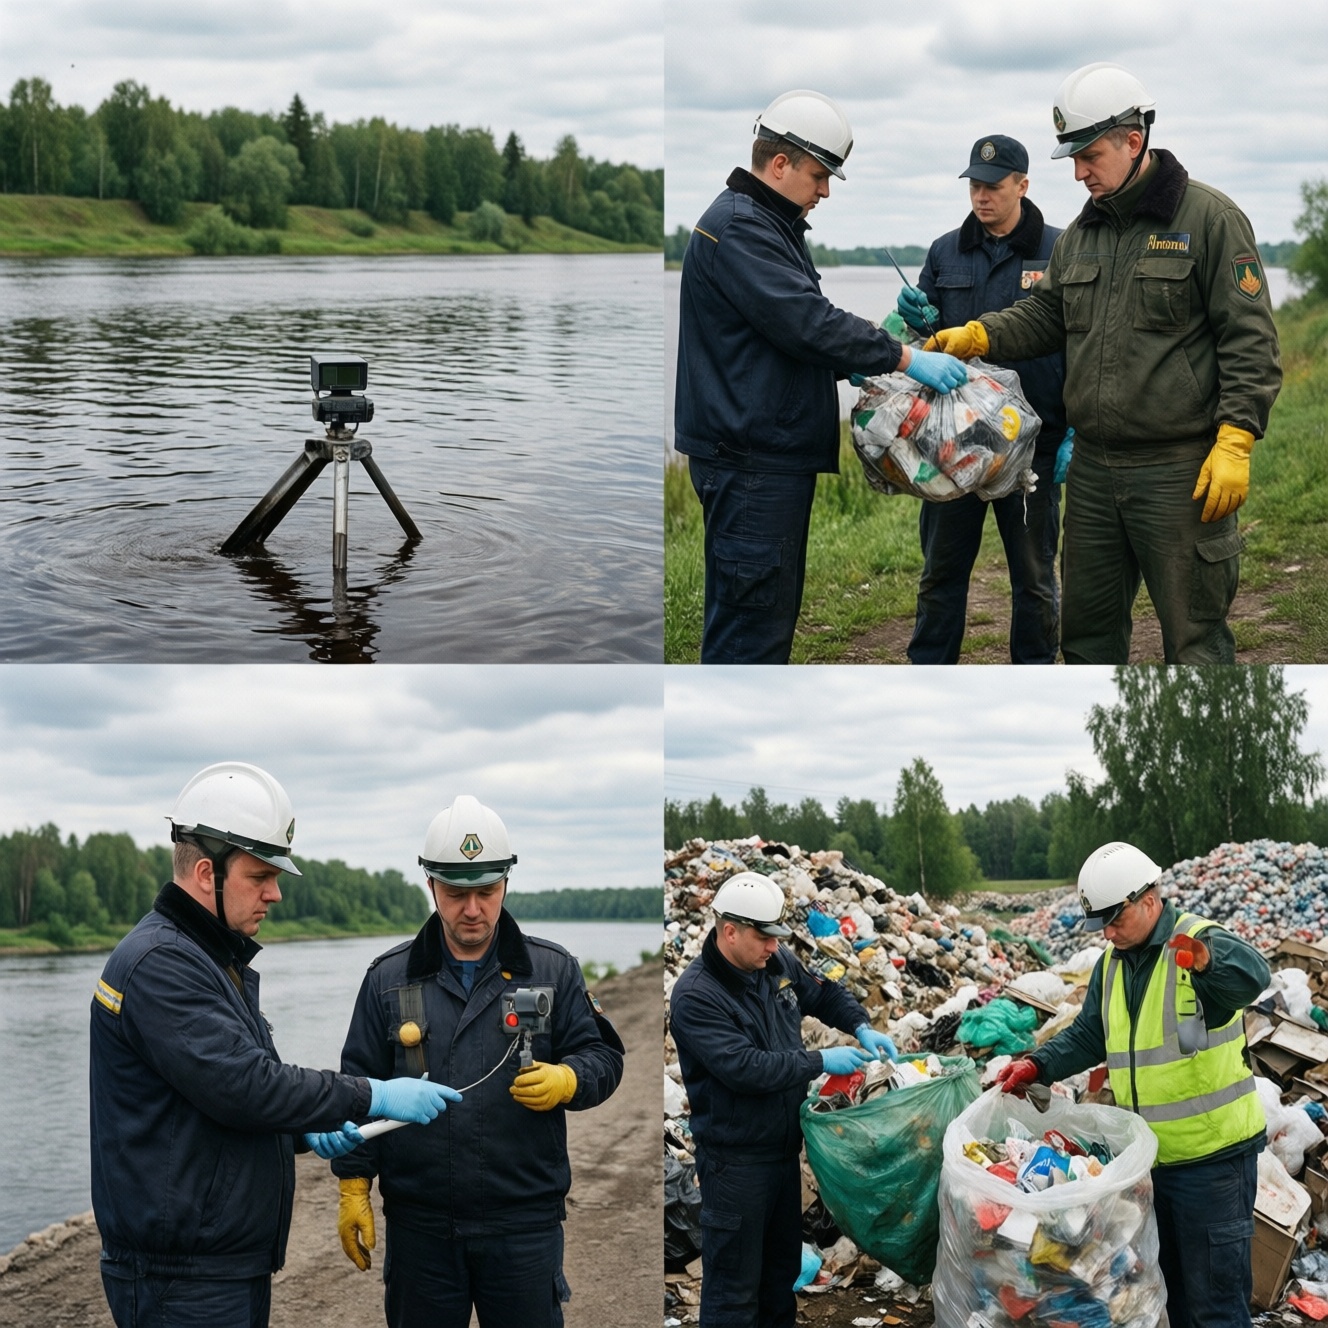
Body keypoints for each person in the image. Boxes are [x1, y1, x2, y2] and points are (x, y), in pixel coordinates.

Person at [927, 63, 1282, 663]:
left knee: (1194, 641)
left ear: (1134, 141)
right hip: (1092, 471)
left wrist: (1237, 437)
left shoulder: (1208, 220)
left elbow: (1250, 340)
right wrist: (976, 335)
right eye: (1071, 158)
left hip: (1179, 472)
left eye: (1089, 155)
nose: (1080, 172)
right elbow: (1046, 316)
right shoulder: (1082, 235)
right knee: (1086, 642)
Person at [90, 761, 459, 1328]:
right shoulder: (164, 964)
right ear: (206, 872)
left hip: (212, 1265)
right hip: (181, 1278)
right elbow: (245, 1086)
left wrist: (297, 1131)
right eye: (260, 877)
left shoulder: (209, 957)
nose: (276, 894)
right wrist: (372, 1094)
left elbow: (217, 1093)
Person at [674, 88, 969, 664]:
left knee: (761, 615)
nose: (826, 190)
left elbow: (788, 333)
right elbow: (808, 321)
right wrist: (905, 358)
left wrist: (861, 360)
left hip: (758, 456)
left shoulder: (766, 224)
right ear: (779, 163)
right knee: (750, 634)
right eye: (820, 174)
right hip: (750, 463)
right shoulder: (742, 229)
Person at [331, 794, 625, 1328]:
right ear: (431, 886)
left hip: (524, 1227)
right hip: (421, 1231)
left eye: (486, 892)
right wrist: (353, 1185)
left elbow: (604, 1057)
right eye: (456, 893)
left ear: (506, 884)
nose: (472, 909)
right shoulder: (387, 978)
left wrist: (569, 1078)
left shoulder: (553, 970)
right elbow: (358, 1086)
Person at [996, 841, 1270, 1328]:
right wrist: (1037, 1066)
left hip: (1213, 1166)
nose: (1107, 932)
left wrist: (1208, 964)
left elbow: (1252, 976)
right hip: (1151, 1166)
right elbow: (1089, 1035)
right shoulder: (1113, 964)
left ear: (1148, 900)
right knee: (1173, 1299)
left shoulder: (1196, 942)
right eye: (1100, 924)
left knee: (1217, 1308)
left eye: (1114, 919)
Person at [668, 871, 899, 1327]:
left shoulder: (772, 963)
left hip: (781, 1155)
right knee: (734, 1290)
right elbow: (745, 1068)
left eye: (777, 937)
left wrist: (860, 1024)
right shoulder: (697, 996)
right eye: (763, 937)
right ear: (729, 931)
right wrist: (818, 1060)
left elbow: (824, 993)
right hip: (735, 1166)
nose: (773, 947)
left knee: (779, 1279)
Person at [896, 134, 1069, 664]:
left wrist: (1077, 432)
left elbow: (1084, 343)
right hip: (953, 446)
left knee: (1034, 580)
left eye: (993, 185)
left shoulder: (1061, 248)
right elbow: (923, 340)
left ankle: (1035, 670)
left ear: (1022, 184)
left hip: (1032, 446)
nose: (982, 196)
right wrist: (912, 317)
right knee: (940, 575)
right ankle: (929, 669)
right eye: (974, 185)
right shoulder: (945, 250)